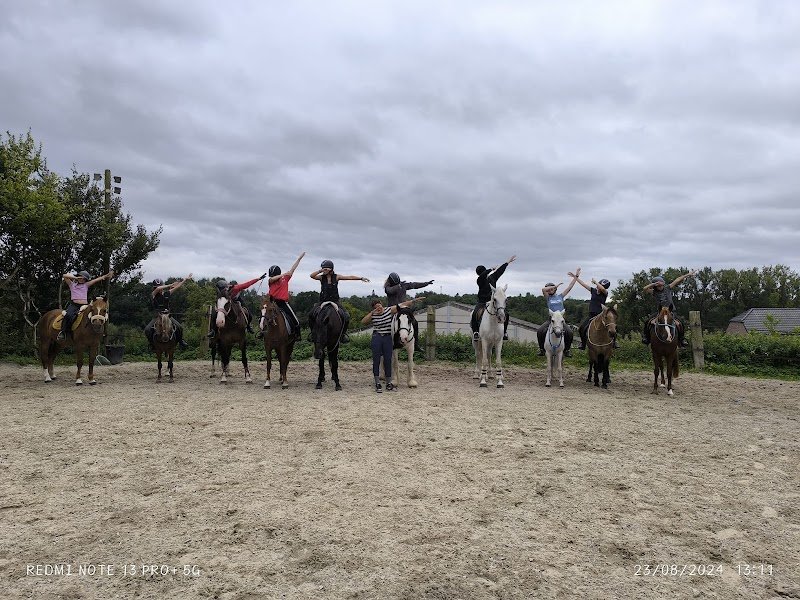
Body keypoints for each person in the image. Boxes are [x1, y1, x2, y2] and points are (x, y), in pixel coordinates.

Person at [361, 296, 423, 393]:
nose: (379, 308)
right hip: (377, 337)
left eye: (379, 306)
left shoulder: (388, 310)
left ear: (382, 305)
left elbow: (402, 304)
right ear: (374, 308)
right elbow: (363, 321)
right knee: (376, 360)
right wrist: (373, 313)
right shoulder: (374, 314)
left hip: (387, 336)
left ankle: (416, 342)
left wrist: (414, 300)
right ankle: (378, 382)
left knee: (388, 359)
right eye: (376, 307)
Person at [309, 260, 369, 344]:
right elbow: (312, 276)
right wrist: (320, 271)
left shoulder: (336, 277)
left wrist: (361, 278)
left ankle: (343, 334)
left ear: (331, 269)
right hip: (323, 301)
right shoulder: (321, 277)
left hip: (335, 301)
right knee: (311, 314)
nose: (324, 270)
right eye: (323, 268)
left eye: (325, 268)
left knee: (346, 316)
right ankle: (313, 333)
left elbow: (349, 277)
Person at [641, 270, 696, 347]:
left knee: (681, 323)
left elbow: (677, 280)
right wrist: (654, 284)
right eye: (658, 286)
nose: (660, 287)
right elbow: (644, 289)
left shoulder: (668, 287)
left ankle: (682, 339)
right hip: (660, 312)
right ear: (655, 287)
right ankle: (646, 338)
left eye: (661, 285)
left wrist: (688, 274)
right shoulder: (654, 292)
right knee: (648, 321)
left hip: (671, 311)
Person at [259, 252, 305, 341]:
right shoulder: (271, 280)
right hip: (272, 302)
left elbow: (292, 269)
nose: (272, 276)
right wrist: (284, 274)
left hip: (283, 303)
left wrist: (299, 259)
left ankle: (297, 335)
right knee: (263, 315)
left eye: (273, 274)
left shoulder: (285, 279)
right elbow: (272, 279)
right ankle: (261, 332)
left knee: (295, 320)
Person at [58, 269, 114, 341]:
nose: (82, 279)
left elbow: (96, 280)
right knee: (68, 315)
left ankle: (102, 332)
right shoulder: (72, 285)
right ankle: (63, 332)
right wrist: (75, 277)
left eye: (83, 278)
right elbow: (64, 276)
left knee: (98, 314)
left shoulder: (86, 285)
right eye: (80, 277)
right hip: (74, 305)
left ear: (85, 280)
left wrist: (106, 276)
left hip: (84, 305)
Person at [471, 255, 516, 342]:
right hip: (482, 302)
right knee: (474, 313)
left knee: (506, 314)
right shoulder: (479, 280)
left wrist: (507, 262)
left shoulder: (493, 277)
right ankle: (476, 332)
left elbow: (500, 271)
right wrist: (490, 269)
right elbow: (483, 275)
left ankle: (504, 332)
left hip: (492, 301)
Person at [208, 273, 266, 338]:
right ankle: (213, 330)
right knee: (214, 313)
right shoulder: (220, 293)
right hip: (226, 301)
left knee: (249, 314)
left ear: (226, 288)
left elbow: (248, 284)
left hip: (237, 299)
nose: (221, 292)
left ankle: (248, 326)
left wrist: (258, 279)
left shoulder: (236, 288)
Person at [536, 268, 579, 357]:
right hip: (551, 320)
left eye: (552, 289)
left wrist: (576, 276)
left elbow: (570, 287)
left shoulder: (560, 296)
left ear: (555, 290)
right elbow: (543, 289)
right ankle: (542, 349)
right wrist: (556, 286)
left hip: (560, 320)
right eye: (549, 289)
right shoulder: (548, 297)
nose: (550, 290)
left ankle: (567, 350)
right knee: (540, 331)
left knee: (569, 332)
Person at [144, 274, 192, 350]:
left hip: (167, 316)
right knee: (147, 329)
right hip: (157, 316)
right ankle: (151, 344)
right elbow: (158, 288)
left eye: (160, 287)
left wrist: (185, 279)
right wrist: (171, 284)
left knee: (179, 327)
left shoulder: (167, 293)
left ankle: (180, 341)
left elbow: (178, 287)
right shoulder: (153, 294)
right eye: (156, 287)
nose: (159, 289)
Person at [572, 274, 617, 350]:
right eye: (598, 285)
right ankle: (583, 344)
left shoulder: (605, 293)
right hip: (591, 315)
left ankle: (614, 342)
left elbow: (602, 288)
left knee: (612, 326)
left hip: (601, 315)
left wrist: (595, 282)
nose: (597, 286)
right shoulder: (593, 291)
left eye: (599, 285)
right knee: (581, 328)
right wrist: (575, 277)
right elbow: (583, 284)